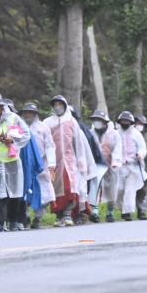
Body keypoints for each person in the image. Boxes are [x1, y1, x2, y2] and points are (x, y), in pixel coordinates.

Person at [0, 93, 31, 232]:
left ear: (2, 106)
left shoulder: (13, 118)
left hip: (11, 161)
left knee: (14, 193)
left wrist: (12, 141)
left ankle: (13, 221)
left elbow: (26, 134)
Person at [43, 96, 89, 226]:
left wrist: (80, 160)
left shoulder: (71, 121)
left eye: (60, 104)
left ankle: (68, 214)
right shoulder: (47, 123)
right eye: (55, 104)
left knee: (70, 188)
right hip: (53, 163)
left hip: (69, 162)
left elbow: (78, 143)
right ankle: (59, 215)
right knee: (55, 189)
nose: (58, 107)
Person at [21, 102, 56, 229]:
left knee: (43, 191)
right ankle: (25, 216)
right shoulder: (19, 126)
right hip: (24, 164)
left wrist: (51, 163)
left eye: (31, 112)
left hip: (41, 164)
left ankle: (38, 217)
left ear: (35, 114)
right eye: (27, 112)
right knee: (23, 190)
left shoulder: (43, 128)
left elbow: (50, 146)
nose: (29, 115)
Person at [89, 109, 123, 223]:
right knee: (96, 189)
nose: (97, 122)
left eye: (99, 120)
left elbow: (118, 148)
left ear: (105, 122)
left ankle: (110, 213)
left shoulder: (114, 134)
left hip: (111, 166)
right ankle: (95, 212)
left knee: (112, 190)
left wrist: (115, 162)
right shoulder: (91, 133)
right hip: (97, 165)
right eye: (95, 120)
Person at [115, 112, 147, 221]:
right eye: (123, 121)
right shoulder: (116, 133)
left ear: (131, 122)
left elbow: (143, 148)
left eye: (127, 121)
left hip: (132, 166)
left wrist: (140, 155)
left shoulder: (136, 133)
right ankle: (123, 208)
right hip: (119, 166)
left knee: (130, 190)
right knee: (118, 190)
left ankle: (127, 212)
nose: (125, 123)